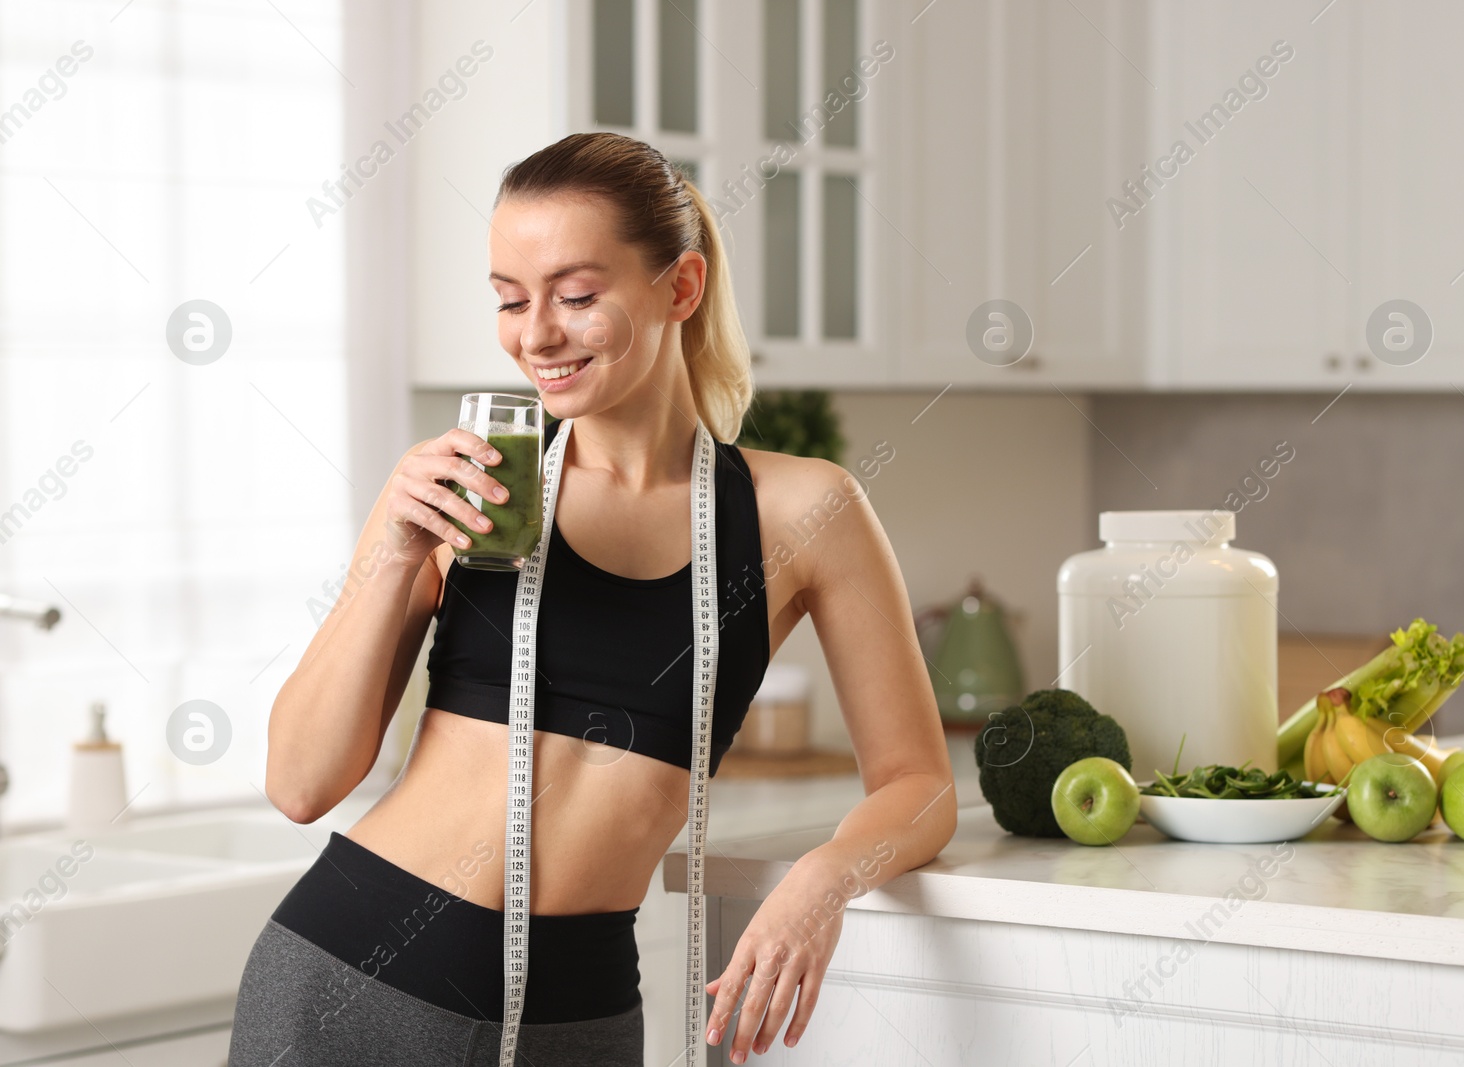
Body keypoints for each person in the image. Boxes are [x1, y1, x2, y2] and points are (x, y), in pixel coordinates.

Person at [228, 131, 957, 1067]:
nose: (535, 335)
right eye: (508, 299)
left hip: (578, 1020)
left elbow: (921, 783)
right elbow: (300, 782)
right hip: (350, 984)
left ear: (680, 287)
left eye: (576, 296)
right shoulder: (478, 486)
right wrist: (391, 543)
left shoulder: (800, 511)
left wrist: (820, 884)